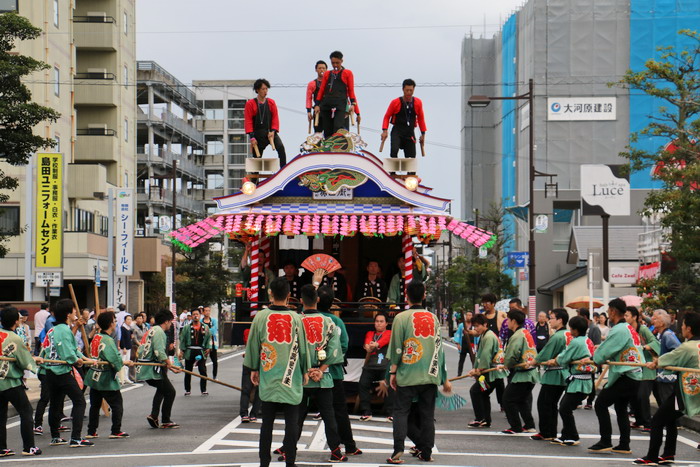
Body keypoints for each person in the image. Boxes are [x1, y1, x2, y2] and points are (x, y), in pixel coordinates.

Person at [243, 277, 310, 467]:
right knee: (291, 423)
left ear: (270, 293)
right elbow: (303, 349)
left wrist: (253, 368)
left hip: (269, 375)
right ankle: (290, 462)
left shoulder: (261, 317)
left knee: (267, 424)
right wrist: (305, 370)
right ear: (289, 295)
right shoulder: (297, 318)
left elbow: (253, 345)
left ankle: (264, 462)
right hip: (291, 377)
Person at [387, 280, 449, 464]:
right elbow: (439, 350)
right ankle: (426, 451)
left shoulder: (401, 318)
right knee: (427, 415)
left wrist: (393, 372)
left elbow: (397, 348)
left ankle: (398, 450)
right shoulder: (433, 318)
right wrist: (443, 378)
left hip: (408, 373)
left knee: (400, 412)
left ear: (406, 296)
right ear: (424, 295)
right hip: (430, 375)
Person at [633, 312, 700, 465]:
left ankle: (652, 456)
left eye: (682, 326)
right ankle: (668, 454)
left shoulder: (687, 347)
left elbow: (672, 357)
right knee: (669, 419)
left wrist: (656, 363)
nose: (681, 328)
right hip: (692, 389)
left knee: (657, 420)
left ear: (689, 329)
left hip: (685, 391)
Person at [291, 284, 347, 463]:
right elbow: (335, 351)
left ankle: (289, 449)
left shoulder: (296, 321)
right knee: (329, 416)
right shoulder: (328, 322)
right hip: (323, 378)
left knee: (297, 416)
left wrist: (307, 370)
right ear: (317, 300)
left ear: (301, 301)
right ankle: (336, 451)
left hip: (301, 377)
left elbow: (292, 350)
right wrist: (320, 370)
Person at [582, 298, 643, 454]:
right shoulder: (628, 328)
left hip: (627, 375)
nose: (607, 314)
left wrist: (594, 358)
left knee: (601, 403)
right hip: (633, 375)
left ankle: (605, 441)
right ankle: (624, 444)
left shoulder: (620, 329)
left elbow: (605, 351)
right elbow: (608, 347)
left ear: (613, 311)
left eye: (608, 310)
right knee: (620, 407)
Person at [317, 286, 362, 457]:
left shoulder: (307, 318)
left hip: (310, 371)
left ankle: (287, 448)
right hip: (333, 372)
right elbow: (344, 345)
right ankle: (349, 445)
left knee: (301, 411)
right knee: (339, 410)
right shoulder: (337, 321)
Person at [43, 299, 95, 447]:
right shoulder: (65, 330)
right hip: (61, 372)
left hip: (50, 371)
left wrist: (86, 359)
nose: (75, 313)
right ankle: (76, 438)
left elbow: (73, 349)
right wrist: (76, 361)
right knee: (79, 401)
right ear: (68, 314)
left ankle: (55, 437)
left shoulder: (52, 330)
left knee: (55, 403)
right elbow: (68, 353)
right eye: (73, 311)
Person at [545, 316, 596, 446]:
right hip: (582, 380)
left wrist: (555, 360)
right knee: (564, 406)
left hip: (579, 380)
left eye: (571, 327)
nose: (570, 330)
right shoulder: (586, 340)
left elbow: (565, 357)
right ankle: (565, 435)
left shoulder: (576, 342)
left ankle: (573, 436)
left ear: (575, 330)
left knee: (564, 408)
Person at [0, 307, 42, 456]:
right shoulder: (14, 338)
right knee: (26, 411)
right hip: (10, 382)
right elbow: (25, 361)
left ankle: (1, 448)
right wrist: (36, 362)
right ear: (16, 321)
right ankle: (28, 447)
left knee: (1, 415)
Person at [85, 311, 130, 439]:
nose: (115, 323)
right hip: (105, 378)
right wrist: (122, 363)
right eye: (114, 321)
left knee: (95, 405)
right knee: (117, 404)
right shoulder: (108, 340)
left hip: (94, 376)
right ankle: (116, 430)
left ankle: (91, 431)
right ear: (111, 324)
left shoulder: (96, 337)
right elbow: (114, 359)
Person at [136, 309, 181, 430]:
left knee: (162, 389)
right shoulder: (160, 332)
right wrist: (170, 364)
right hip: (152, 368)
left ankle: (154, 415)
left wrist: (170, 367)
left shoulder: (151, 330)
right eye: (170, 322)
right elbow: (159, 352)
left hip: (147, 366)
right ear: (166, 321)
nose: (171, 325)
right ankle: (166, 420)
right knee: (170, 392)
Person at [532, 308, 570, 441]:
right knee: (552, 404)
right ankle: (550, 431)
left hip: (555, 374)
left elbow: (546, 353)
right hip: (563, 373)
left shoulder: (558, 336)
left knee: (544, 403)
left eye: (552, 318)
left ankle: (546, 432)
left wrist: (534, 362)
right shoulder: (567, 334)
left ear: (560, 320)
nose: (549, 320)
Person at [499, 309, 538, 434]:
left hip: (523, 374)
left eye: (508, 320)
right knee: (521, 400)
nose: (507, 323)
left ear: (514, 321)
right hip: (531, 373)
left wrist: (506, 365)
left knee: (507, 399)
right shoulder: (526, 333)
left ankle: (515, 426)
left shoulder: (517, 336)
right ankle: (529, 425)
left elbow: (512, 355)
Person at [466, 313, 507, 428]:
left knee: (476, 391)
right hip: (489, 373)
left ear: (485, 324)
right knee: (483, 393)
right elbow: (481, 356)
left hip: (491, 373)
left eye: (478, 326)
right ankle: (485, 419)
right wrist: (476, 369)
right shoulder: (485, 335)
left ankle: (480, 418)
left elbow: (485, 356)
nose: (476, 328)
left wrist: (479, 369)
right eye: (474, 326)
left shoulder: (489, 336)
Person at [625, 306, 659, 432]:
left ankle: (648, 423)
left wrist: (643, 348)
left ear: (635, 317)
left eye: (627, 315)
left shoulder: (643, 329)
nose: (625, 318)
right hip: (634, 366)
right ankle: (639, 420)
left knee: (642, 396)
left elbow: (655, 343)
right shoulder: (626, 330)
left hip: (647, 366)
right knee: (634, 395)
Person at [381, 79, 427, 168]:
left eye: (411, 90)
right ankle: (393, 174)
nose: (409, 93)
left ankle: (410, 177)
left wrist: (423, 134)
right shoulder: (395, 102)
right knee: (394, 151)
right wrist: (384, 130)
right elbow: (387, 117)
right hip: (397, 131)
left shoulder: (418, 102)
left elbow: (421, 119)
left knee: (411, 157)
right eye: (407, 90)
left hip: (409, 132)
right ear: (403, 89)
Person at [313, 50, 360, 138]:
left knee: (338, 127)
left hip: (340, 103)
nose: (335, 65)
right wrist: (317, 105)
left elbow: (351, 90)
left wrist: (354, 105)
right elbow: (321, 90)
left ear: (341, 61)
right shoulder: (327, 74)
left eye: (337, 63)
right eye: (333, 63)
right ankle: (327, 147)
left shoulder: (347, 73)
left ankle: (338, 145)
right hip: (327, 103)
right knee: (327, 129)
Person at [244, 78, 287, 166]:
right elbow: (248, 121)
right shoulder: (250, 104)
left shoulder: (271, 102)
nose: (265, 91)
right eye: (263, 89)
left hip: (270, 132)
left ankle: (283, 170)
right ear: (257, 90)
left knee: (281, 148)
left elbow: (275, 118)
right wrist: (252, 137)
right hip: (258, 135)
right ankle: (255, 179)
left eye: (266, 89)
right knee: (257, 158)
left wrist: (273, 131)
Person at [358, 312, 392, 421]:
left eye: (381, 321)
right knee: (363, 384)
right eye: (377, 321)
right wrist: (368, 346)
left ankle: (391, 413)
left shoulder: (390, 333)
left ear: (386, 323)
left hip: (384, 367)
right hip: (370, 367)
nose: (378, 324)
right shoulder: (370, 333)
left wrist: (376, 344)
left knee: (390, 386)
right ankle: (366, 411)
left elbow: (384, 340)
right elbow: (368, 342)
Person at [650, 309, 681, 407]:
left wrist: (663, 360)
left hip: (668, 376)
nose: (654, 321)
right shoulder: (662, 334)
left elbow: (677, 351)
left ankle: (673, 422)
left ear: (662, 323)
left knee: (668, 403)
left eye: (657, 319)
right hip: (663, 374)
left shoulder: (667, 335)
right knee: (665, 401)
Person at [178, 308, 211, 396]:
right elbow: (182, 339)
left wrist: (208, 347)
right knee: (188, 371)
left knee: (203, 371)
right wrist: (181, 351)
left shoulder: (205, 327)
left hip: (200, 350)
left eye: (197, 314)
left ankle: (203, 389)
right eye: (194, 314)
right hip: (189, 350)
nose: (195, 316)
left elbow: (208, 338)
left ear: (200, 315)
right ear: (191, 316)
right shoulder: (186, 328)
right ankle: (187, 389)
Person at [579, 307, 601, 409]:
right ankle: (578, 399)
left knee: (590, 380)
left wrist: (593, 358)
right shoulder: (580, 327)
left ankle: (589, 401)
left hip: (591, 358)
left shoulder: (594, 328)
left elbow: (597, 345)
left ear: (584, 317)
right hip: (580, 358)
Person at [239, 328, 261, 423]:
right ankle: (251, 414)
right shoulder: (249, 331)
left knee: (246, 390)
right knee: (257, 390)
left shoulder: (248, 331)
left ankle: (245, 414)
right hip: (260, 363)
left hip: (250, 362)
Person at [306, 60, 327, 133]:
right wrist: (308, 111)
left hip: (329, 110)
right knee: (318, 133)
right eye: (320, 68)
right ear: (316, 70)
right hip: (317, 111)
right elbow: (309, 98)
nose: (322, 70)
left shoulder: (330, 83)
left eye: (324, 68)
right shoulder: (312, 84)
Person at [455, 310, 475, 376]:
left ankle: (474, 373)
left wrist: (477, 344)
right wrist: (458, 343)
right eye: (467, 315)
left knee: (473, 359)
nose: (468, 317)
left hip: (472, 344)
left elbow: (477, 336)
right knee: (461, 360)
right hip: (463, 344)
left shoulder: (474, 325)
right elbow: (458, 334)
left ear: (472, 316)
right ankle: (459, 373)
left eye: (470, 315)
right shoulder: (461, 325)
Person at [201, 306, 219, 380]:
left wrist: (205, 331)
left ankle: (214, 376)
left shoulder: (214, 320)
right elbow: (200, 332)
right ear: (203, 312)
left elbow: (214, 331)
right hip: (203, 344)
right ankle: (204, 376)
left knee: (214, 361)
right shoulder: (201, 321)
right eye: (206, 311)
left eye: (209, 310)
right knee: (203, 361)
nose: (207, 312)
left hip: (213, 344)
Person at [119, 315, 134, 384]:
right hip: (124, 348)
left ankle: (126, 377)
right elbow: (122, 339)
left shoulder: (130, 328)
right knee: (123, 362)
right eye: (128, 319)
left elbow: (130, 336)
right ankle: (121, 377)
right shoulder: (122, 328)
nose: (129, 321)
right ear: (125, 320)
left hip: (129, 347)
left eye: (130, 319)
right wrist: (124, 347)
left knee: (128, 362)